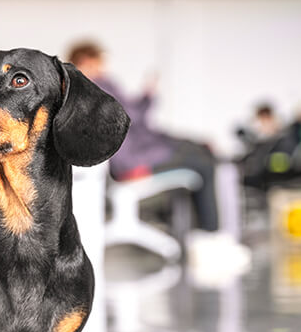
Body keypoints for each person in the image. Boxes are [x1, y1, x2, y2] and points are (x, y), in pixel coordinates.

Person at [67, 41, 220, 233]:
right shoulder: (99, 85)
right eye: (99, 62)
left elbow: (130, 116)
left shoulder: (78, 90)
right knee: (204, 163)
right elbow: (132, 116)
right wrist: (148, 96)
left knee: (198, 152)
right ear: (86, 60)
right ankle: (210, 235)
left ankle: (203, 233)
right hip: (132, 162)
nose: (103, 67)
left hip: (130, 156)